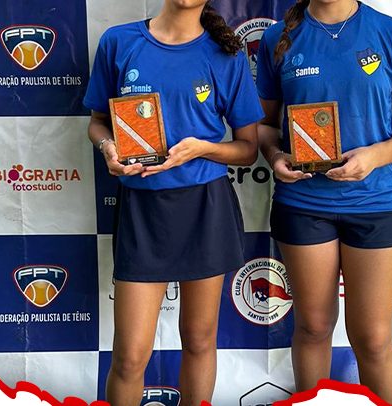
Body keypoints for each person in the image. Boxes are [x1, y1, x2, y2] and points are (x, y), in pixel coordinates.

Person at [83, 0, 263, 404]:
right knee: (130, 357)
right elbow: (97, 123)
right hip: (142, 211)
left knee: (199, 340)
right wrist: (108, 147)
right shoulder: (119, 42)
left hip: (205, 207)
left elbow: (248, 149)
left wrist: (202, 149)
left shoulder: (226, 53)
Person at [255, 0, 392, 403]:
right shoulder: (277, 37)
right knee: (313, 328)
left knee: (373, 339)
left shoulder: (390, 33)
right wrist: (276, 156)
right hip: (303, 204)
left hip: (374, 204)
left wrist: (374, 156)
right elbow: (264, 126)